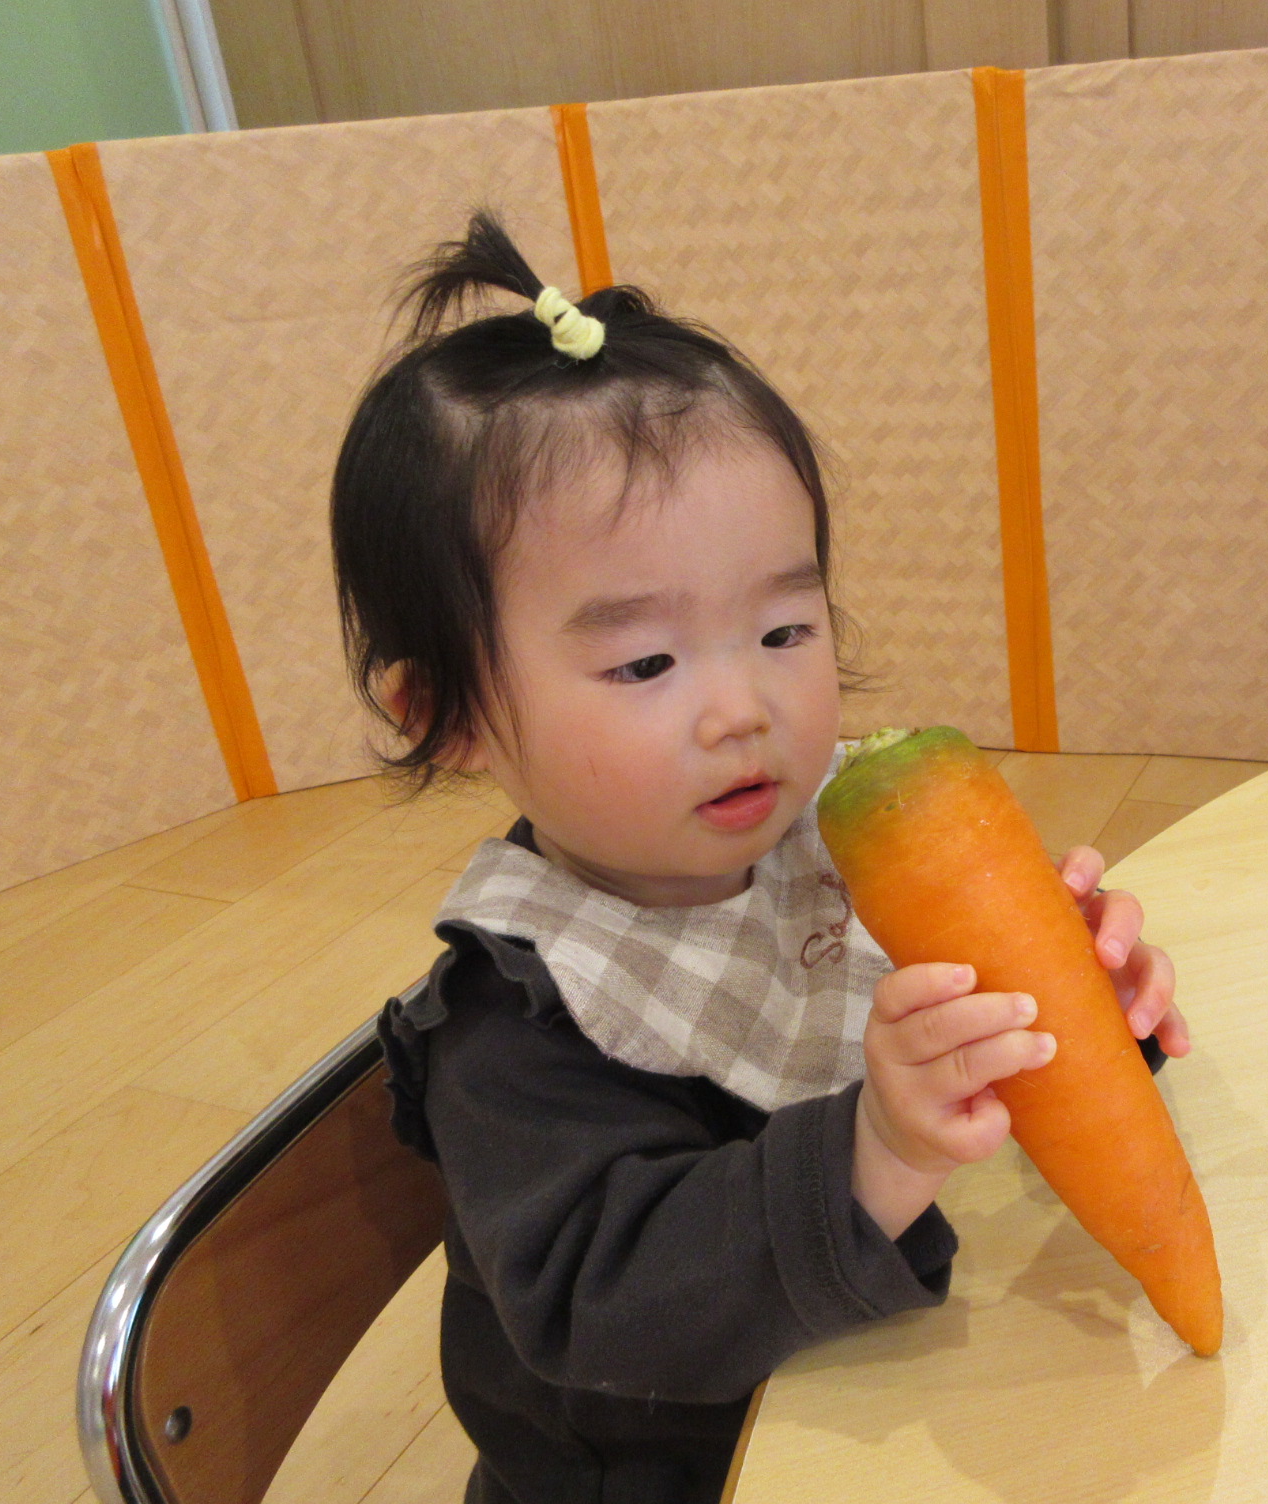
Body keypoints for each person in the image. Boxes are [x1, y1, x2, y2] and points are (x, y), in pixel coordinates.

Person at [331, 213, 1189, 1504]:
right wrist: (874, 1155)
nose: (742, 709)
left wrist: (1071, 1014)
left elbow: (986, 1072)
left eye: (785, 630)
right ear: (444, 715)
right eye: (645, 662)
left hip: (877, 1382)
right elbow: (606, 1306)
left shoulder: (833, 845)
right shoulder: (517, 1025)